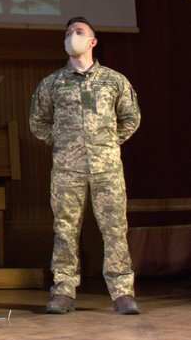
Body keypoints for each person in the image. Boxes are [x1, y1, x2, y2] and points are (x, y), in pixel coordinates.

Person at [29, 16, 141, 316]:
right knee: (65, 229)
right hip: (68, 168)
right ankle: (63, 291)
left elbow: (131, 117)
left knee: (115, 228)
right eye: (68, 33)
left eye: (79, 32)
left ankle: (122, 293)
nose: (72, 36)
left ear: (92, 42)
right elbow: (37, 122)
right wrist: (62, 142)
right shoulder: (52, 83)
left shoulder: (114, 80)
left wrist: (109, 143)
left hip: (107, 168)